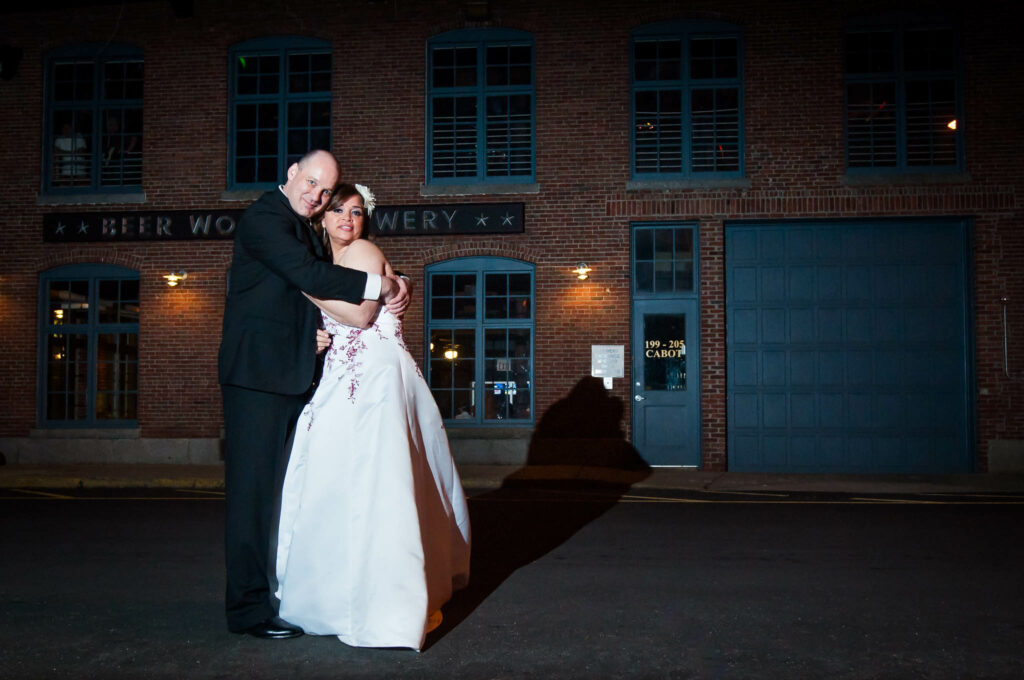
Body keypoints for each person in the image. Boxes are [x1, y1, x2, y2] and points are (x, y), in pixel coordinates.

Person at [218, 150, 410, 640]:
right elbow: (308, 277)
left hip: (292, 373)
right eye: (311, 183)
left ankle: (277, 594)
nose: (316, 196)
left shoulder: (303, 225)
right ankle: (247, 611)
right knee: (252, 497)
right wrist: (382, 284)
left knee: (288, 491)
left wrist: (313, 335)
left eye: (325, 191)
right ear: (290, 174)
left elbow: (296, 298)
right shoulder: (265, 220)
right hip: (257, 379)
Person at [275, 184, 471, 651]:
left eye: (357, 212)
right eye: (338, 210)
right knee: (345, 482)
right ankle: (344, 591)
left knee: (371, 482)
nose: (348, 219)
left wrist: (301, 284)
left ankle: (379, 600)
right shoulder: (332, 264)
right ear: (321, 218)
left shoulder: (361, 251)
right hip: (351, 376)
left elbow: (361, 317)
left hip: (373, 379)